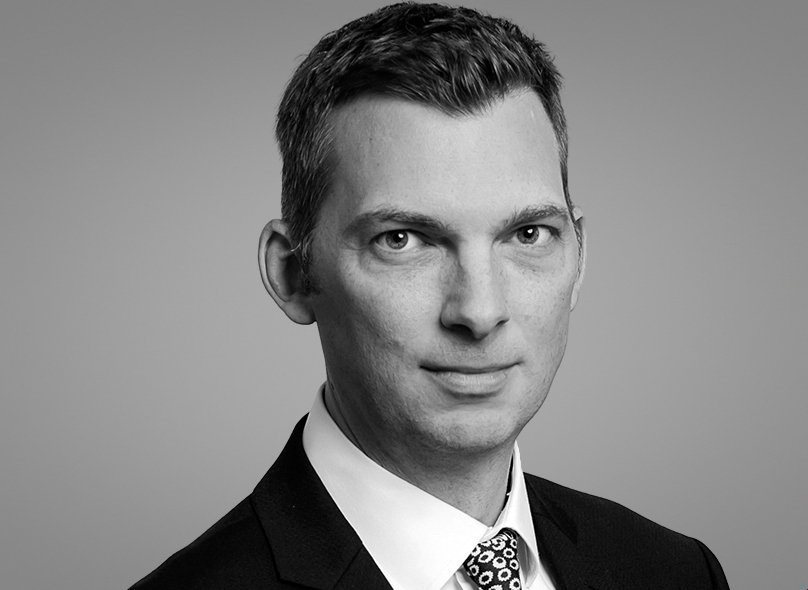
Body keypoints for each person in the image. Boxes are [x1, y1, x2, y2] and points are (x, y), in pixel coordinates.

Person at [131, 3, 729, 589]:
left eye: (528, 234)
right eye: (403, 240)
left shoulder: (675, 572)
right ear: (293, 273)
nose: (479, 312)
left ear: (578, 259)